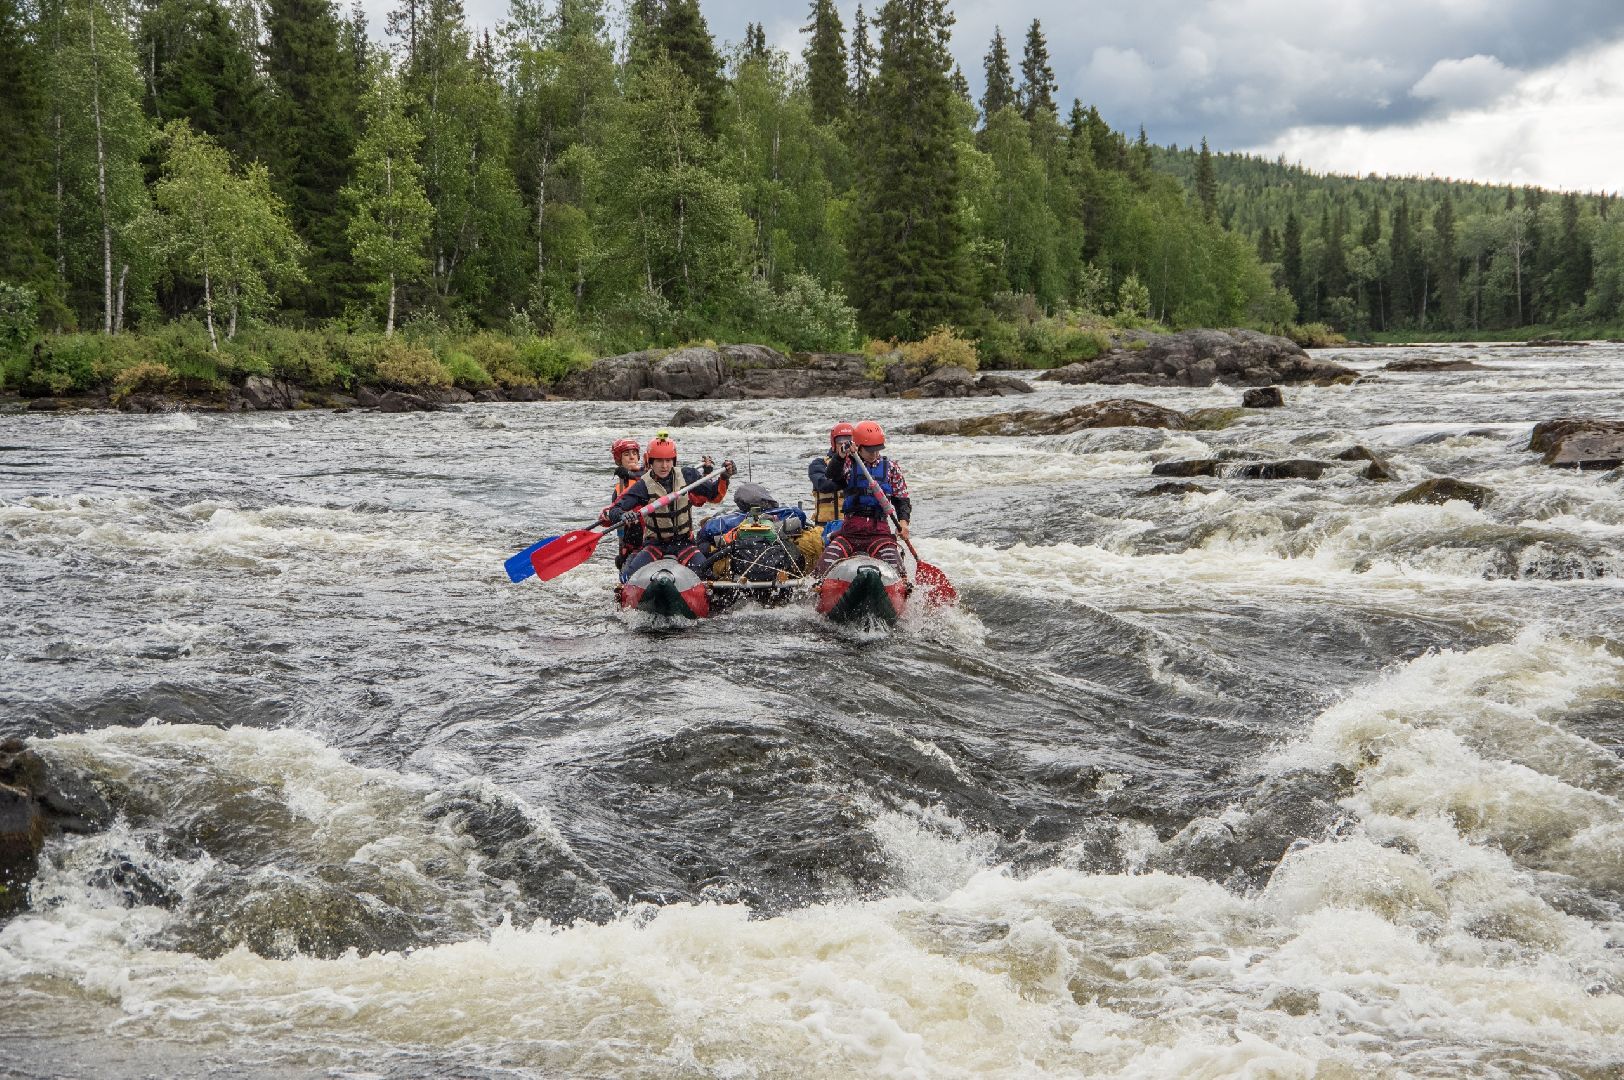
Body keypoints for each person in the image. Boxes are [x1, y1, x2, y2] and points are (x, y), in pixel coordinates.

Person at [601, 436, 734, 581]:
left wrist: (724, 477)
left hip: (684, 544)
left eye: (668, 460)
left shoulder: (687, 475)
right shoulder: (643, 485)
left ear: (673, 460)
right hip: (655, 544)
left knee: (709, 577)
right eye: (659, 460)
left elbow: (715, 496)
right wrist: (622, 515)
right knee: (627, 577)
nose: (664, 465)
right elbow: (615, 509)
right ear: (651, 461)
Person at [815, 420, 910, 576]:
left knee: (898, 570)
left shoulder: (891, 468)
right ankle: (816, 590)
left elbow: (902, 499)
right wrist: (840, 456)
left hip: (879, 532)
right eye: (870, 450)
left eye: (877, 450)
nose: (874, 454)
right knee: (823, 565)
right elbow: (831, 475)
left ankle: (902, 589)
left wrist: (903, 523)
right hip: (850, 531)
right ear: (858, 447)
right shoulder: (848, 463)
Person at [609, 437, 644, 570]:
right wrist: (608, 516)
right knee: (621, 560)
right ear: (619, 459)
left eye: (634, 454)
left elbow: (645, 474)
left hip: (649, 533)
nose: (631, 457)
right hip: (630, 539)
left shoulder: (649, 474)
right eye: (626, 454)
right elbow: (614, 513)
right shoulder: (619, 488)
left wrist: (629, 474)